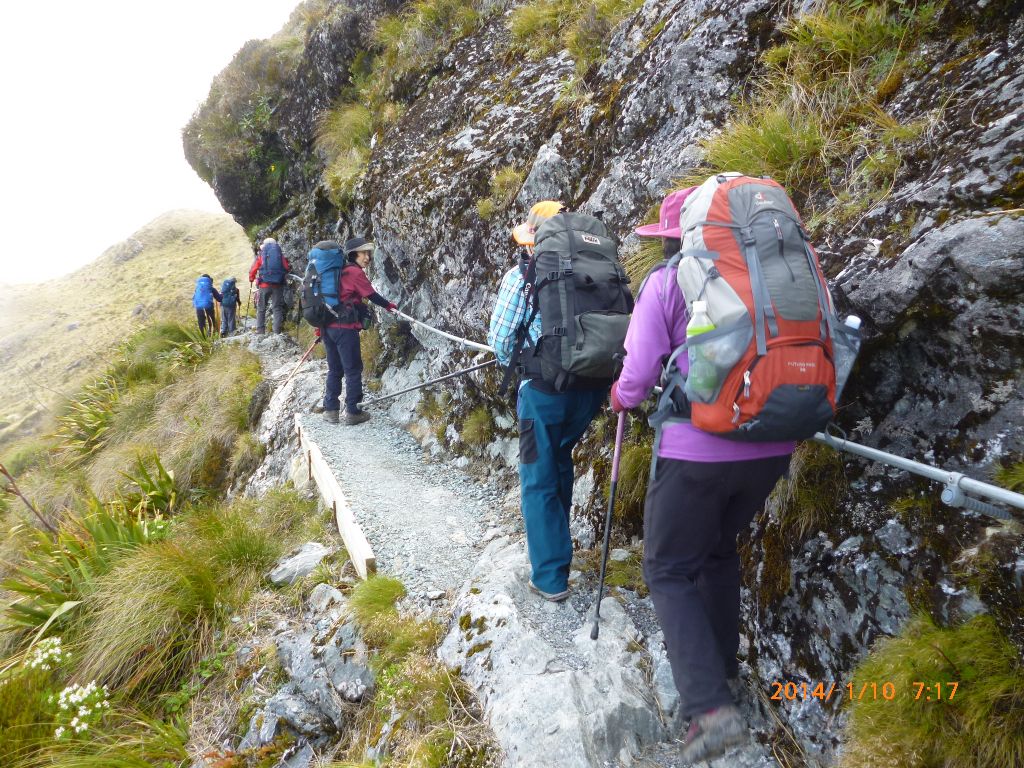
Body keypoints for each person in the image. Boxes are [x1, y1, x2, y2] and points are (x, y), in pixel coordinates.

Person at [610, 188, 795, 762]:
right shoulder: (770, 275)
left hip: (697, 450)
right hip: (771, 443)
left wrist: (619, 396)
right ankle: (725, 673)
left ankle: (710, 711)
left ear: (677, 236)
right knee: (718, 551)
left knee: (666, 569)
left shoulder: (668, 282)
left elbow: (638, 375)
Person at [487, 201, 609, 603]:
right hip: (591, 388)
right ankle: (558, 555)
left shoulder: (523, 275)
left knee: (537, 480)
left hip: (543, 393)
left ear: (534, 240)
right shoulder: (595, 268)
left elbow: (500, 341)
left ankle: (551, 577)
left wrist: (524, 361)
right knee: (560, 461)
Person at [308, 236, 397, 425]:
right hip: (345, 328)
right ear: (353, 254)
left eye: (369, 253)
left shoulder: (335, 272)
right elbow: (371, 295)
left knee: (335, 369)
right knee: (353, 369)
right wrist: (389, 305)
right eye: (364, 253)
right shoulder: (354, 273)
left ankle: (331, 410)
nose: (368, 257)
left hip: (327, 328)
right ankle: (353, 411)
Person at [249, 237, 290, 334]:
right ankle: (277, 331)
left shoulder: (262, 254)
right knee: (277, 308)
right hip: (278, 285)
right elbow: (286, 267)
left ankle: (260, 331)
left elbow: (254, 268)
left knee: (261, 308)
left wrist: (251, 278)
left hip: (264, 285)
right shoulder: (279, 254)